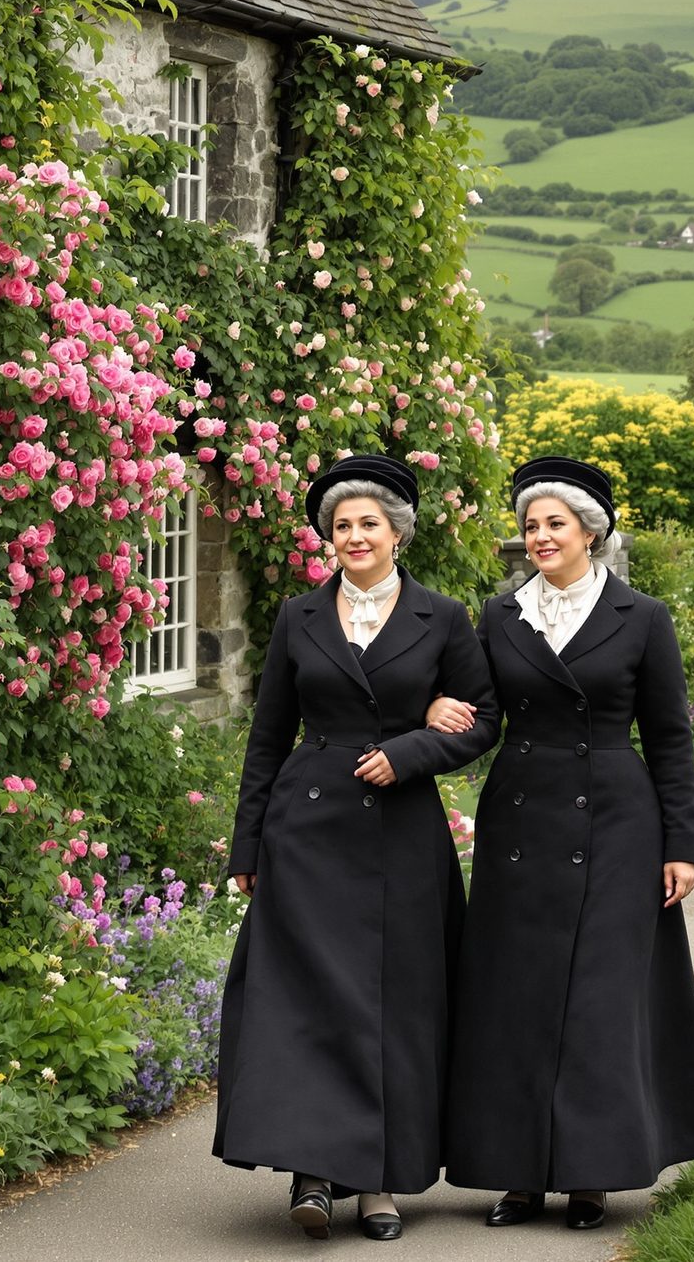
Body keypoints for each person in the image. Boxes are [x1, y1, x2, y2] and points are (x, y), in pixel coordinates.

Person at [212, 454, 499, 1243]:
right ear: (329, 539)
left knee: (394, 1007)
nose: (355, 536)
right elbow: (267, 737)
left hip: (403, 835)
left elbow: (483, 719)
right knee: (309, 1004)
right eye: (342, 526)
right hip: (305, 834)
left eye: (369, 522)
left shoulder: (442, 619)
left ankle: (379, 1181)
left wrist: (410, 752)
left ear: (397, 533)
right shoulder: (299, 618)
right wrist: (248, 845)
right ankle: (313, 1173)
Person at [432, 456, 694, 1229]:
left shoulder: (642, 617)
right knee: (513, 1000)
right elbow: (482, 714)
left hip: (618, 826)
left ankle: (591, 1176)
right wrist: (434, 715)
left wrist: (681, 844)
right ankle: (518, 1177)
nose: (540, 537)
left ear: (590, 531)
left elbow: (669, 738)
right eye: (530, 526)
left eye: (555, 523)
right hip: (520, 824)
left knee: (600, 1003)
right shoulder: (500, 617)